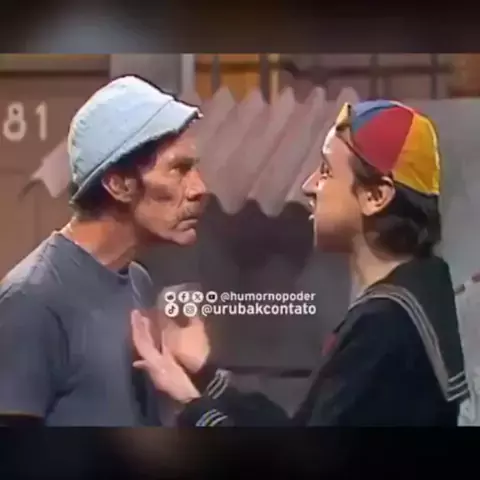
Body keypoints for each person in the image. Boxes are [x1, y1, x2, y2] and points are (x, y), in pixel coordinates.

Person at [131, 100, 469, 426]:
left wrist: (194, 409)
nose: (309, 186)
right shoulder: (415, 297)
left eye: (326, 171)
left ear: (375, 196)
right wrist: (206, 375)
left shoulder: (385, 330)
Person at [0, 75, 207, 426]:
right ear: (118, 184)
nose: (200, 188)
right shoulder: (31, 300)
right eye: (179, 170)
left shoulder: (137, 281)